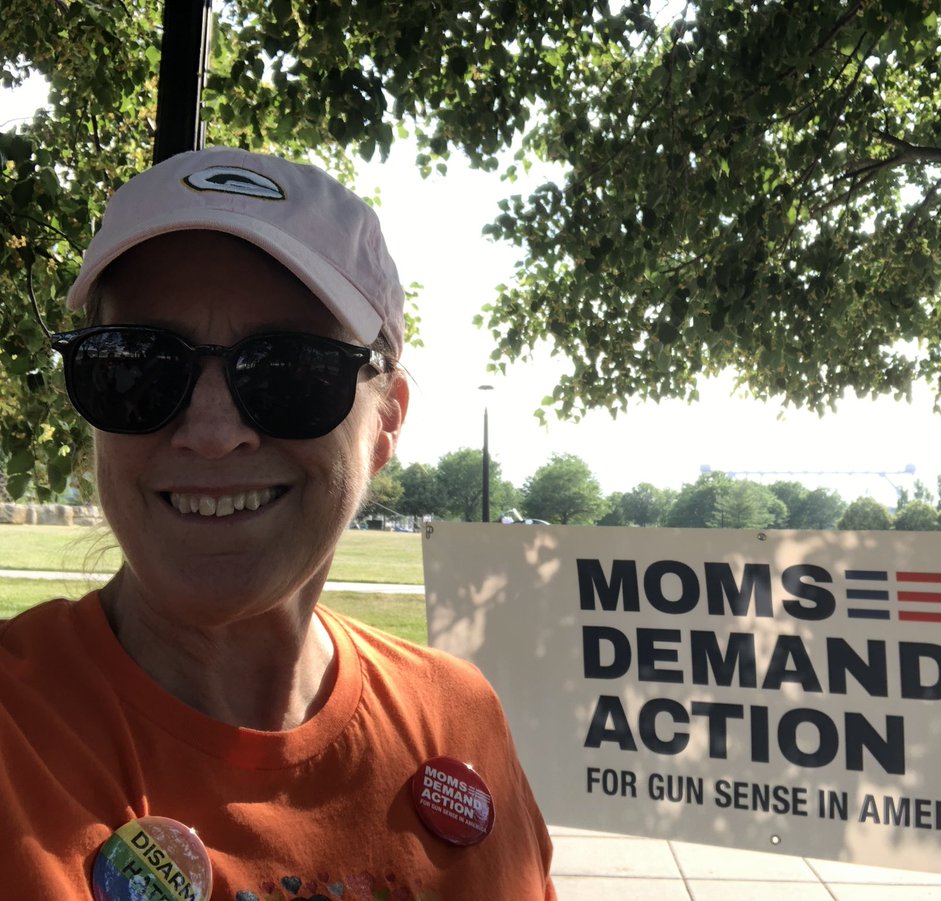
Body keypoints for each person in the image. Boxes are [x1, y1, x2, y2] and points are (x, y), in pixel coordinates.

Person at [2, 147, 557, 899]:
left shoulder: (460, 722)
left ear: (386, 421)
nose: (209, 429)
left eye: (290, 369)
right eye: (136, 364)